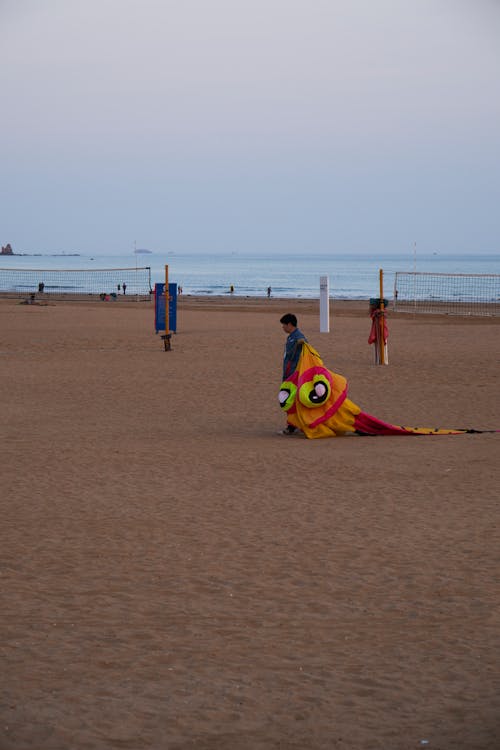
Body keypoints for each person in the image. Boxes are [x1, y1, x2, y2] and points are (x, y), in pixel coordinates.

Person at [280, 313, 307, 434]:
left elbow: (306, 347)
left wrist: (303, 343)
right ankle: (295, 424)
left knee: (290, 400)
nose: (283, 327)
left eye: (284, 325)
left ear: (290, 324)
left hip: (294, 373)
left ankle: (292, 426)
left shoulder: (298, 337)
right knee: (290, 399)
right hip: (288, 372)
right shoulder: (291, 337)